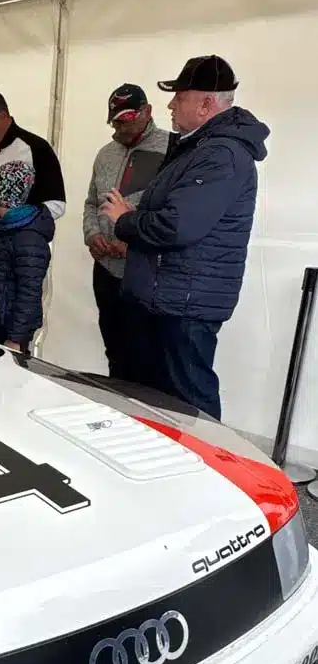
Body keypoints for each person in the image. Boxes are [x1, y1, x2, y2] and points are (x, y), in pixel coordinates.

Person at [100, 55, 269, 420]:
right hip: (170, 297)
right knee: (158, 401)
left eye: (179, 97)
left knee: (191, 406)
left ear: (205, 103)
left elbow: (178, 226)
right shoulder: (198, 147)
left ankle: (209, 458)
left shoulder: (221, 154)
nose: (171, 105)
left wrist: (125, 220)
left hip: (184, 305)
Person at [83, 84, 170, 379]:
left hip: (143, 271)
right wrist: (92, 235)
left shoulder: (171, 150)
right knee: (114, 350)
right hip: (106, 269)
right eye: (115, 121)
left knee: (145, 355)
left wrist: (135, 246)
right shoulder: (105, 154)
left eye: (127, 119)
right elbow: (92, 201)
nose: (120, 128)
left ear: (147, 111)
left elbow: (170, 215)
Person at [0, 90, 65, 306]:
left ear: (2, 117)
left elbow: (56, 205)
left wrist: (9, 221)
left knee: (13, 318)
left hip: (20, 256)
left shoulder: (36, 148)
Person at [0, 161, 55, 357]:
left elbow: (29, 292)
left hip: (10, 330)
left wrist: (15, 338)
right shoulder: (8, 227)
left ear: (0, 197)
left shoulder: (28, 238)